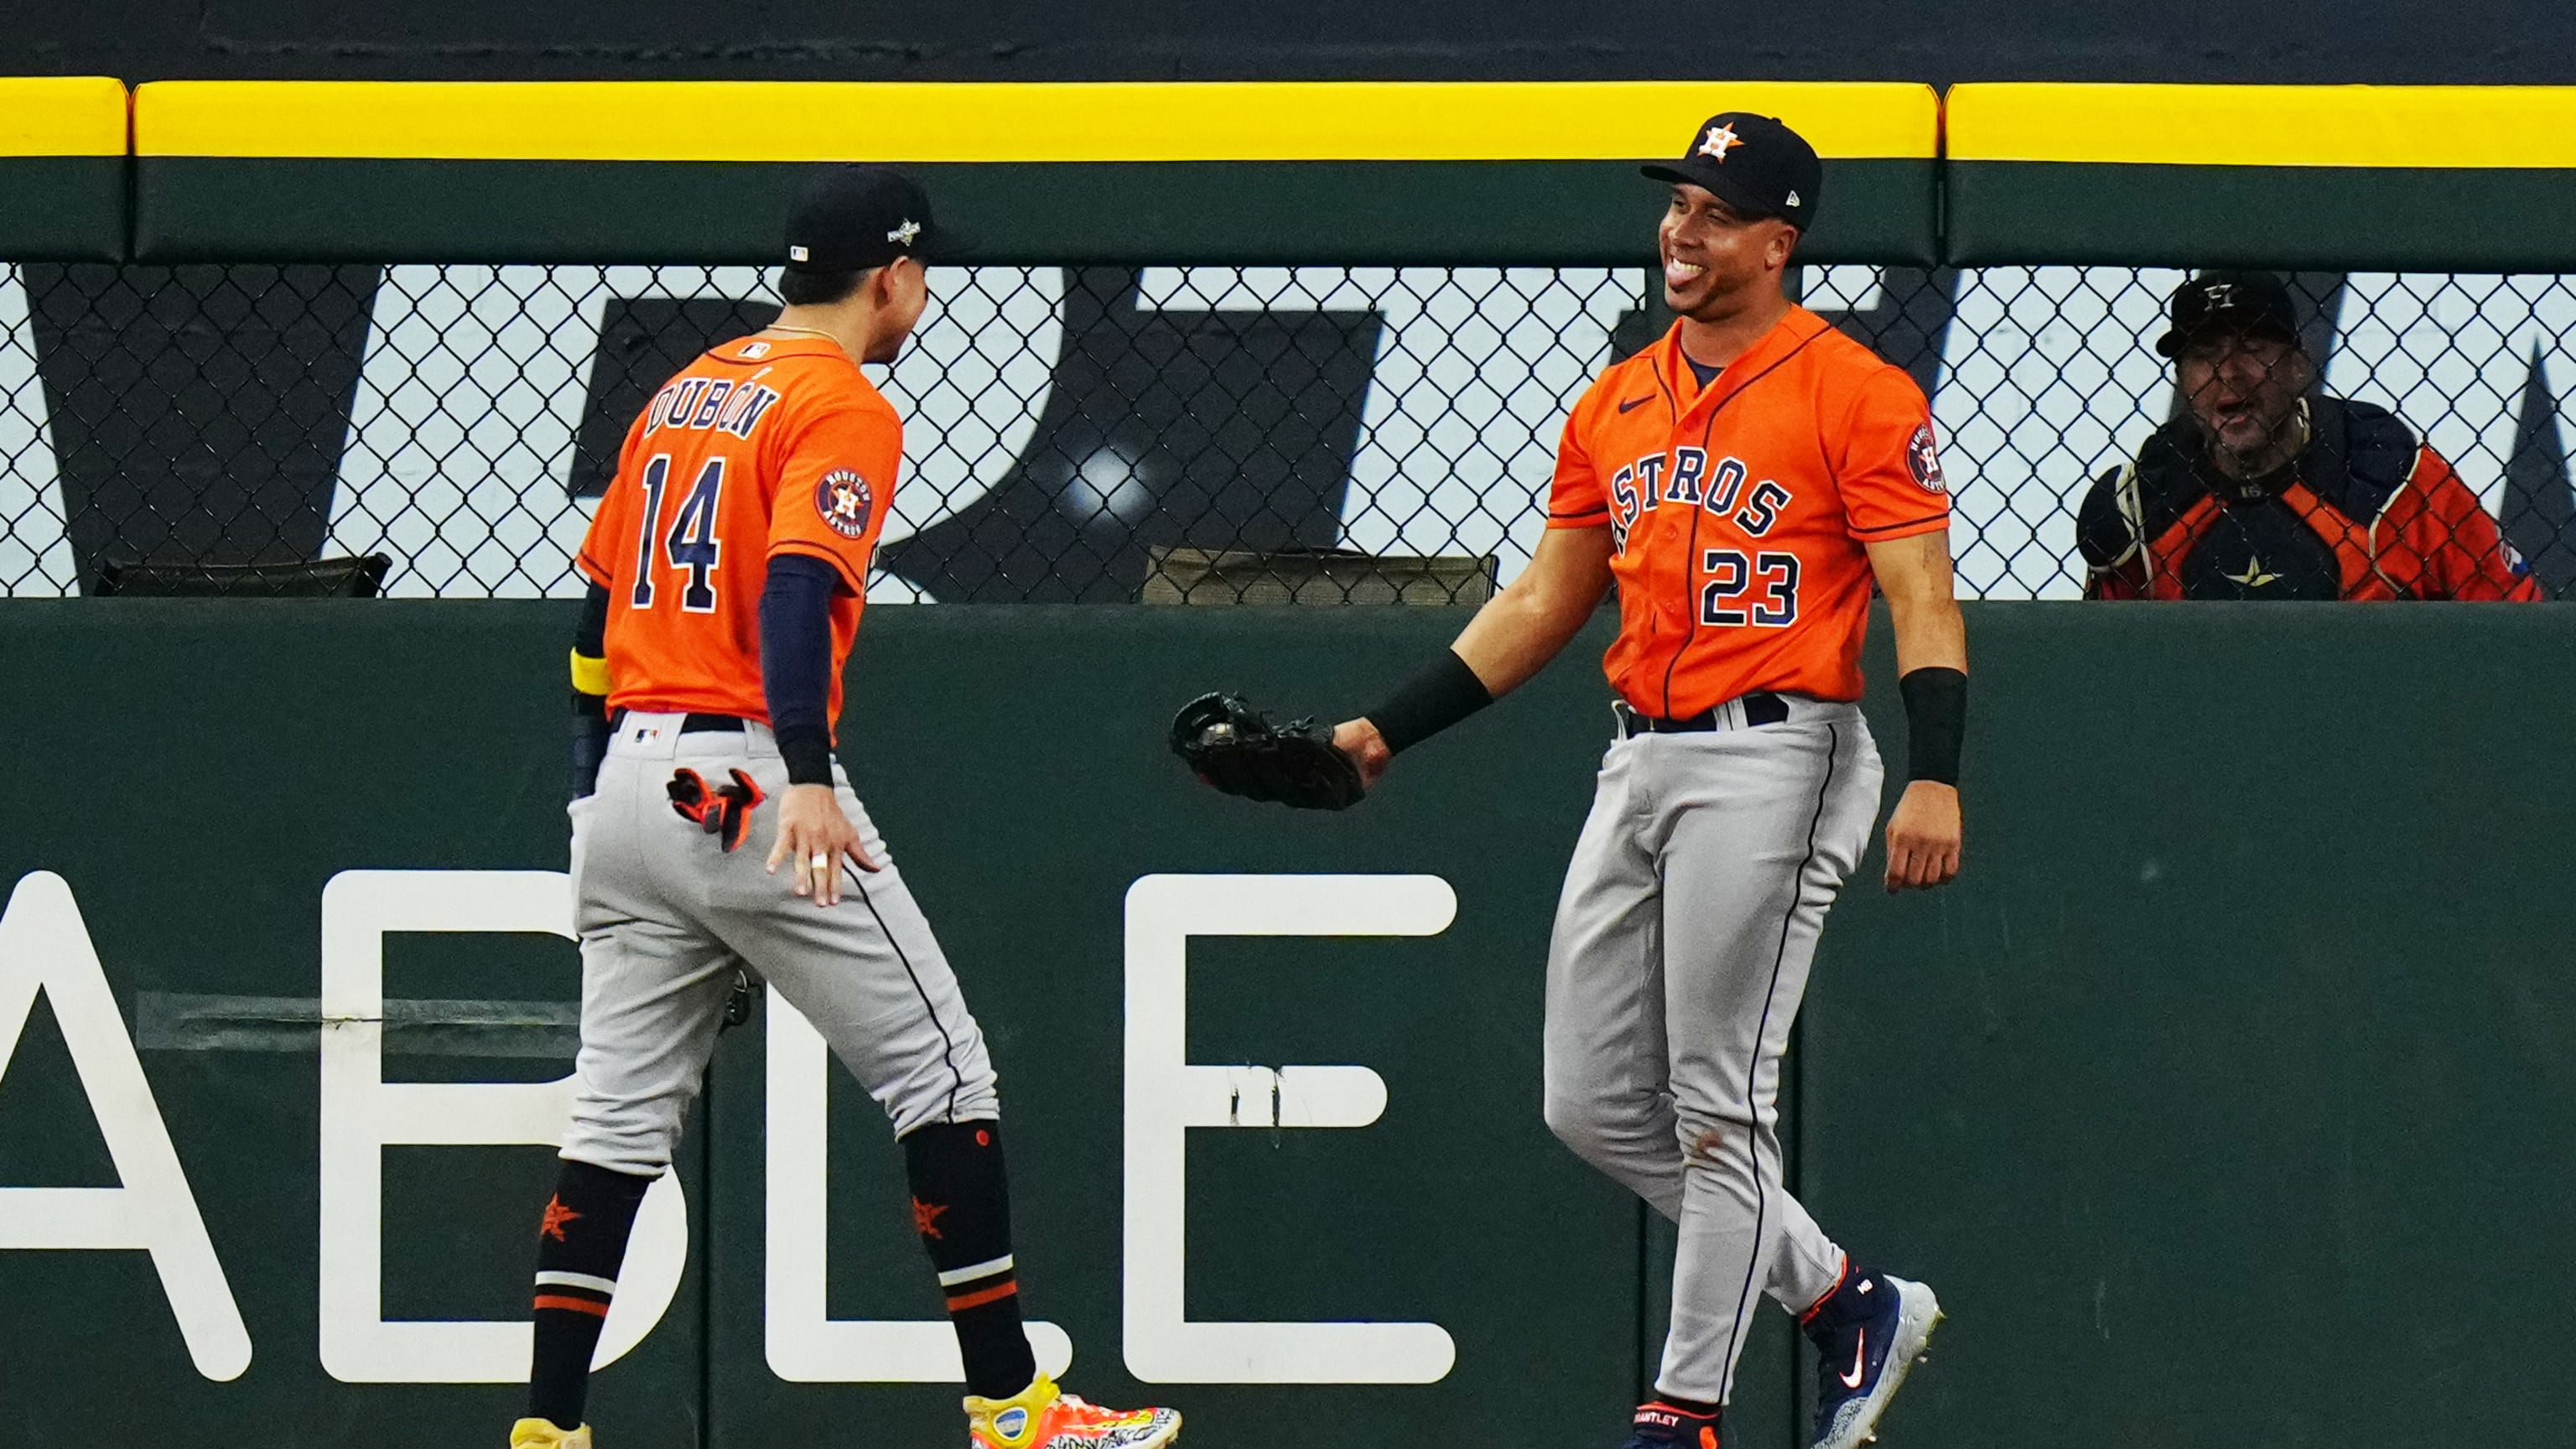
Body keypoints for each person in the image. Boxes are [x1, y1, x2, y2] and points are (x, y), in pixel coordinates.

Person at [514, 165, 1182, 1449]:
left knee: (613, 1119)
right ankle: (1010, 1404)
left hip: (630, 783)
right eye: (922, 272)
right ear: (892, 274)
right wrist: (806, 777)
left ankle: (549, 1429)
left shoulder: (685, 387)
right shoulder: (842, 404)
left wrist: (586, 780)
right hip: (750, 772)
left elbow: (596, 616)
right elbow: (793, 594)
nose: (923, 292)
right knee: (943, 1072)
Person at [1326, 114, 1959, 1449]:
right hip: (1642, 754)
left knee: (1717, 1103)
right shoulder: (1615, 397)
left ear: (1778, 243)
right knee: (1591, 1103)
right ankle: (1846, 1303)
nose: (1681, 228)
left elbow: (1920, 593)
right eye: (1675, 202)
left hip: (1782, 755)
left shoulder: (1855, 390)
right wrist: (1384, 730)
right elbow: (1548, 599)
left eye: (1714, 211)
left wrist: (1936, 774)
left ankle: (1683, 1414)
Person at [2079, 270, 2542, 600]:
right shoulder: (2143, 504)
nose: (2230, 372)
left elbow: (2519, 622)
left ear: (2299, 367)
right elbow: (2102, 674)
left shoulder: (2392, 475)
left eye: (2253, 348)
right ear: (2183, 379)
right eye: (2205, 353)